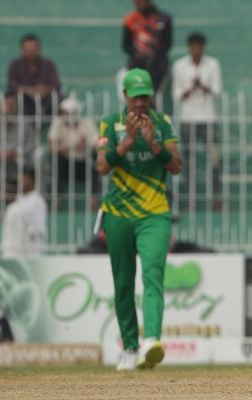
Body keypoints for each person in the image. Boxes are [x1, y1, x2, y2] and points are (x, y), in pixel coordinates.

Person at [95, 68, 182, 371]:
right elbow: (103, 166)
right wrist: (127, 143)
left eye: (145, 96)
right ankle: (130, 347)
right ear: (125, 96)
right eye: (136, 97)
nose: (141, 103)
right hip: (118, 214)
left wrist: (154, 145)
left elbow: (176, 167)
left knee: (153, 276)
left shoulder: (162, 123)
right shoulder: (109, 124)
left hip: (154, 213)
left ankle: (151, 341)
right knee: (122, 283)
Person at [172, 32, 222, 209]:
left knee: (215, 159)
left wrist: (203, 85)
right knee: (188, 159)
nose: (196, 49)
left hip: (208, 117)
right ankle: (190, 199)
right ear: (189, 47)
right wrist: (191, 87)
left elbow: (217, 91)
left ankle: (216, 197)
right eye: (193, 46)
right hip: (188, 118)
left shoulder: (212, 64)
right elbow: (176, 94)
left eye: (199, 46)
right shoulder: (180, 66)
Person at [47, 96, 100, 203]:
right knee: (55, 159)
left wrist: (88, 144)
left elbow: (97, 143)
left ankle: (94, 200)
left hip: (84, 162)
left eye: (66, 113)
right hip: (65, 163)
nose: (63, 116)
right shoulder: (57, 123)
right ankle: (57, 199)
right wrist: (73, 147)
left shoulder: (87, 123)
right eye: (63, 113)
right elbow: (51, 147)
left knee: (97, 158)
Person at [6, 34, 61, 120]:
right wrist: (29, 90)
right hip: (23, 102)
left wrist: (44, 89)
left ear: (39, 48)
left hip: (46, 102)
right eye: (28, 48)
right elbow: (12, 85)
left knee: (64, 102)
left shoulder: (48, 64)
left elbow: (56, 84)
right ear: (22, 50)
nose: (31, 51)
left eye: (33, 48)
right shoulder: (15, 65)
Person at [122, 0, 172, 94]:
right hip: (137, 64)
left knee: (152, 92)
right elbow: (126, 45)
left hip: (157, 65)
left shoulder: (163, 19)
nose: (138, 3)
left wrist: (153, 53)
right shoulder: (130, 19)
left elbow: (167, 44)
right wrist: (136, 53)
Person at [1, 168, 47, 258]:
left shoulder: (38, 201)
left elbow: (36, 228)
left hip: (29, 251)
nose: (21, 182)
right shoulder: (14, 204)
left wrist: (10, 197)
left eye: (24, 178)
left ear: (31, 180)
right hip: (10, 251)